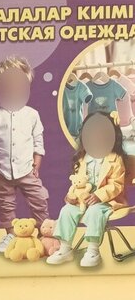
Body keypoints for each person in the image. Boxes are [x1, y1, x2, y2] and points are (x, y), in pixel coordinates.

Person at [0, 56, 49, 253]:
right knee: (5, 203)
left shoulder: (32, 115)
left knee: (39, 199)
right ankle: (11, 234)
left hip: (27, 169)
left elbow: (38, 142)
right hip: (1, 171)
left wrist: (36, 165)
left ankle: (43, 234)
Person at [47, 113, 128, 268]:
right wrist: (71, 196)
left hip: (107, 201)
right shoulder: (83, 157)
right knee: (67, 210)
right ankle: (65, 248)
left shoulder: (115, 159)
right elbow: (77, 182)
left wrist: (98, 195)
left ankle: (93, 250)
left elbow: (117, 184)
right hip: (82, 200)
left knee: (94, 212)